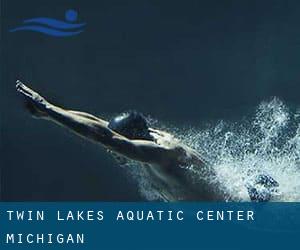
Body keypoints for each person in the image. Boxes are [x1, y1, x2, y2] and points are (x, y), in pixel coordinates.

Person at [15, 80, 278, 201]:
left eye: (115, 146)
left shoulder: (162, 154)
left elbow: (106, 137)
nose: (110, 151)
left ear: (132, 140)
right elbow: (99, 125)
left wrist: (48, 109)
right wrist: (51, 113)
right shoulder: (146, 139)